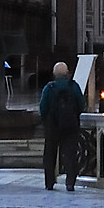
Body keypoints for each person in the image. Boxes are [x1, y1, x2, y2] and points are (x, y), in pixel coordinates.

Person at [37, 59, 86, 192]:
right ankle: (70, 182)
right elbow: (81, 104)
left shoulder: (49, 88)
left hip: (52, 126)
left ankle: (49, 182)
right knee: (70, 154)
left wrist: (46, 121)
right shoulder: (73, 86)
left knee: (50, 154)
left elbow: (43, 107)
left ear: (53, 73)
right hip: (71, 126)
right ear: (67, 73)